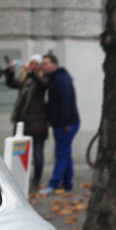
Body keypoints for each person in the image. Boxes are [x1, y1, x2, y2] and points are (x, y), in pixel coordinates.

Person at [4, 55, 49, 191]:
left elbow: (43, 84)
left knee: (37, 153)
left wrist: (31, 72)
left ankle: (36, 180)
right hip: (23, 121)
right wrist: (10, 71)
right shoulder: (26, 80)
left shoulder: (43, 78)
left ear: (40, 66)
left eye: (36, 64)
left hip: (38, 122)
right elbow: (12, 84)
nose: (33, 66)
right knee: (20, 151)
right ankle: (20, 178)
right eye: (31, 63)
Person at [41, 52, 81, 193]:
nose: (43, 66)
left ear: (54, 64)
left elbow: (65, 102)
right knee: (65, 152)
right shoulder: (56, 78)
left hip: (66, 123)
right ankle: (68, 184)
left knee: (61, 153)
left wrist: (65, 123)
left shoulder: (61, 80)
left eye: (46, 63)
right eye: (43, 63)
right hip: (64, 122)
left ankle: (54, 183)